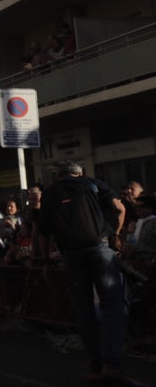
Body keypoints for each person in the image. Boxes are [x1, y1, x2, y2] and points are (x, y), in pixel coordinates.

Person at [38, 161, 141, 387]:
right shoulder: (93, 184)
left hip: (71, 254)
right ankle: (111, 365)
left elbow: (43, 232)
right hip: (99, 248)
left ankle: (95, 365)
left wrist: (45, 261)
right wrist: (115, 233)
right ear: (80, 173)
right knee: (112, 304)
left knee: (84, 309)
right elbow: (119, 208)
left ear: (59, 176)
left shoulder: (50, 193)